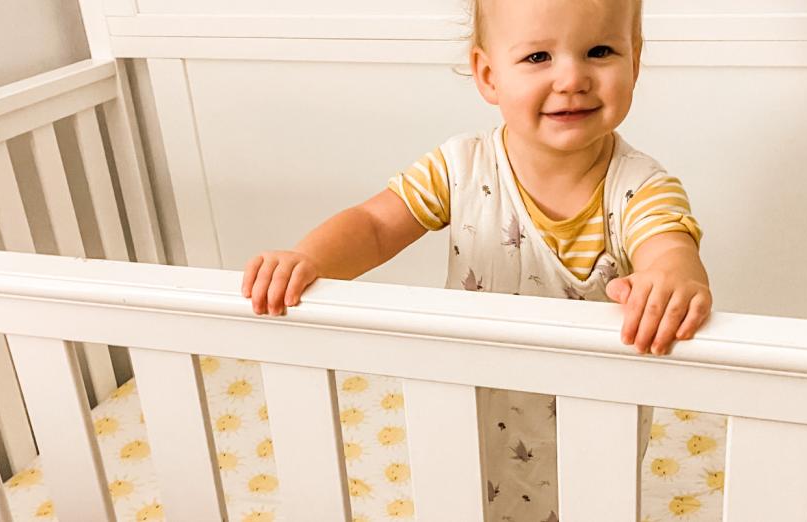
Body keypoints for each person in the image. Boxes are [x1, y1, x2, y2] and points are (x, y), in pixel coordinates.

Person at [242, 0, 711, 517]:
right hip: (470, 403)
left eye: (599, 51)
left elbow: (668, 245)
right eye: (538, 57)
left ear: (635, 62)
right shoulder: (460, 167)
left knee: (593, 504)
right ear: (488, 75)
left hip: (595, 414)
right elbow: (375, 226)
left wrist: (671, 279)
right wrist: (308, 258)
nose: (572, 77)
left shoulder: (641, 188)